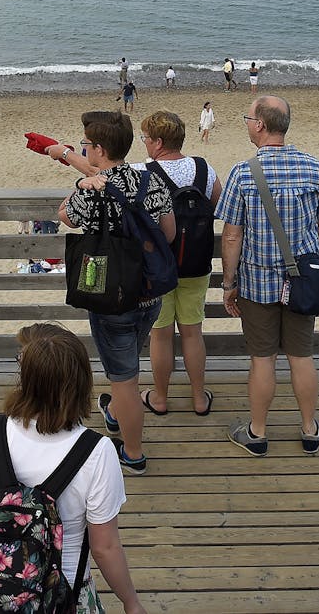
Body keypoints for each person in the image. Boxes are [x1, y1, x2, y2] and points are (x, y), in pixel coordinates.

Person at [0, 324, 149, 614]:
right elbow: (104, 547)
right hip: (65, 594)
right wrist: (131, 602)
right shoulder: (96, 451)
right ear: (81, 381)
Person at [216, 96, 319, 457]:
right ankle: (309, 429)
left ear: (260, 125)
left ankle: (257, 432)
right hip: (304, 281)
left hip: (257, 283)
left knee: (263, 359)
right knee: (302, 357)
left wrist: (228, 284)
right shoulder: (314, 168)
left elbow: (232, 235)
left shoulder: (243, 172)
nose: (247, 123)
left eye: (248, 117)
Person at [58, 110, 175, 476]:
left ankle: (134, 453)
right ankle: (115, 413)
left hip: (109, 296)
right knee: (127, 365)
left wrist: (80, 185)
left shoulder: (93, 188)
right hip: (148, 295)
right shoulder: (151, 182)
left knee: (124, 380)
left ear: (100, 149)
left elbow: (66, 217)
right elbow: (168, 234)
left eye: (86, 145)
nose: (84, 149)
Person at [136, 111, 220, 418]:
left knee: (160, 335)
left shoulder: (144, 172)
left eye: (146, 138)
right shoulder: (204, 168)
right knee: (192, 332)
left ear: (158, 142)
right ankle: (199, 398)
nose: (144, 143)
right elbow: (217, 205)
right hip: (196, 264)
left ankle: (160, 397)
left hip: (159, 267)